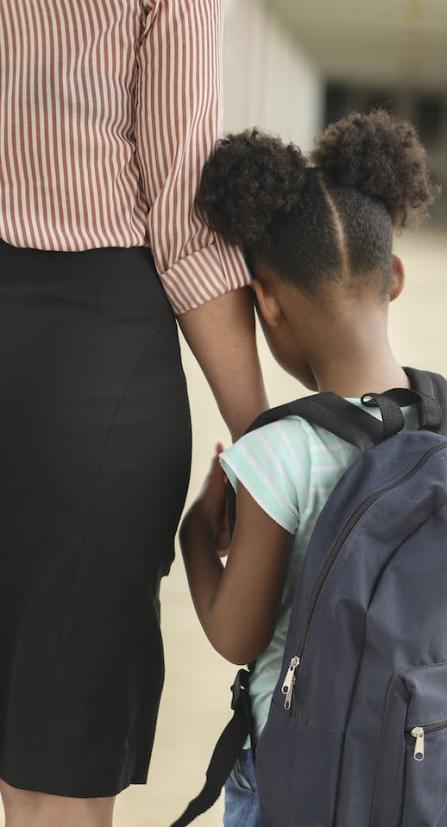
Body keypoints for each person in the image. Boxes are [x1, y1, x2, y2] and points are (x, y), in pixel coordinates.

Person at [0, 3, 267, 825]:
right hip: (90, 362)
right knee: (56, 770)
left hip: (86, 356)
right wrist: (270, 449)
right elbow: (186, 212)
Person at [177, 110, 447, 827]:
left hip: (299, 775)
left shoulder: (281, 450)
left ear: (265, 304)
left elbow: (235, 635)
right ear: (393, 276)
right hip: (418, 761)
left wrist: (191, 537)